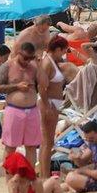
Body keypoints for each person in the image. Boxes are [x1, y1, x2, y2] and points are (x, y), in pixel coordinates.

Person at [0, 41, 40, 164]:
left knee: (31, 146)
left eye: (30, 58)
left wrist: (39, 65)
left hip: (32, 109)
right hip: (14, 110)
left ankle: (29, 177)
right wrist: (17, 86)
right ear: (18, 53)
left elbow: (43, 84)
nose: (27, 61)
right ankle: (9, 178)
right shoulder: (7, 66)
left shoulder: (33, 67)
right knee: (10, 147)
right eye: (25, 58)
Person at [38, 36, 69, 179]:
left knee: (49, 141)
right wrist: (47, 107)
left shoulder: (53, 61)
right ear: (57, 49)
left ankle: (45, 173)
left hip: (53, 103)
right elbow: (41, 87)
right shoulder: (47, 63)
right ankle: (44, 176)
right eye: (63, 51)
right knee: (46, 141)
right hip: (48, 104)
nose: (63, 54)